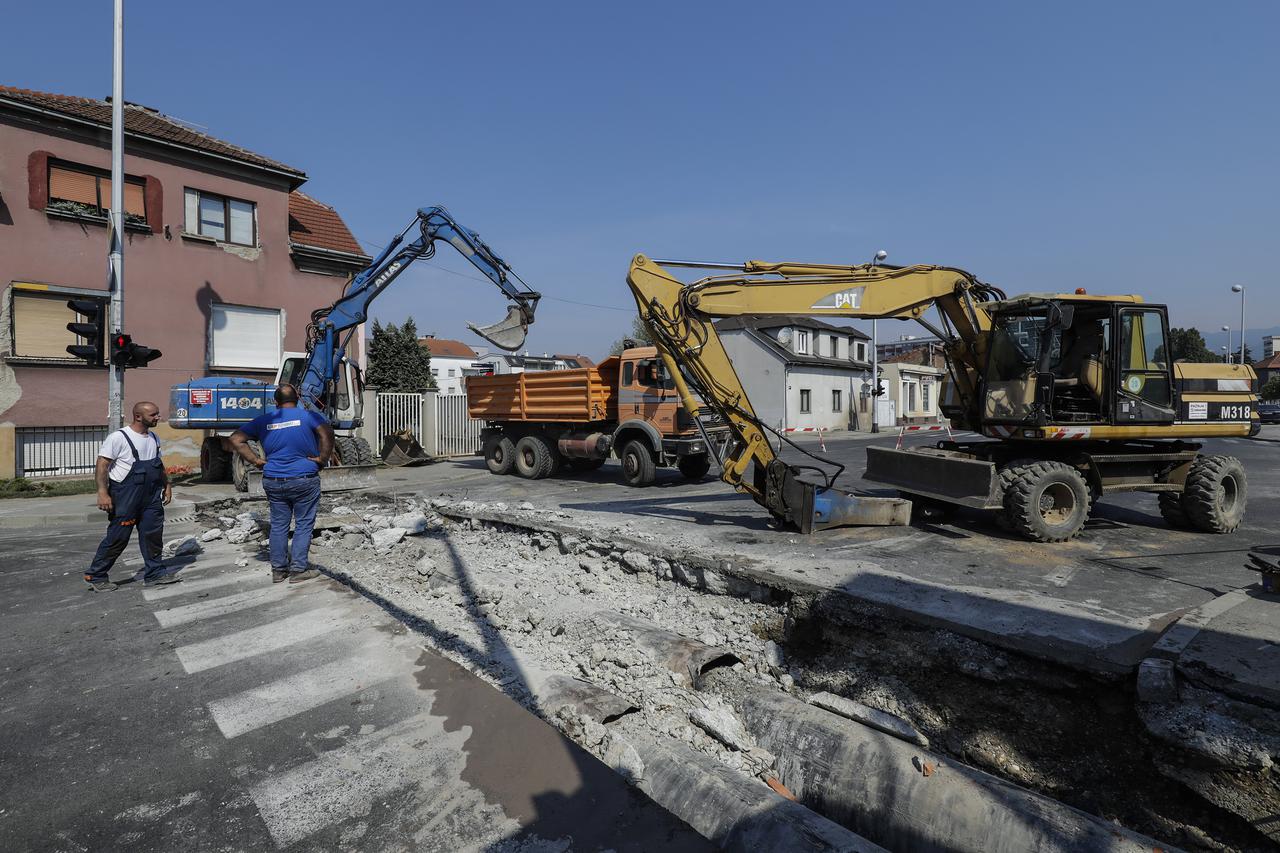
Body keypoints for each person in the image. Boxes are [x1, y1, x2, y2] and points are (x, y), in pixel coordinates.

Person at [230, 384, 333, 583]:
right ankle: (298, 570)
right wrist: (322, 458)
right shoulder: (308, 416)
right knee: (303, 524)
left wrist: (256, 461)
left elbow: (236, 439)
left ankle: (278, 571)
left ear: (275, 402)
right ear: (297, 399)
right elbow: (326, 433)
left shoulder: (264, 420)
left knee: (278, 525)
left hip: (273, 479)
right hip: (304, 478)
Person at [85, 401, 177, 591]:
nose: (158, 418)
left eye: (157, 414)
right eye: (153, 415)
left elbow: (158, 464)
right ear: (138, 416)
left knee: (153, 535)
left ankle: (154, 573)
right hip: (126, 496)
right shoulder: (118, 437)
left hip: (151, 496)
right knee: (118, 537)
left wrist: (167, 485)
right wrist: (102, 493)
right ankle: (97, 575)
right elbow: (102, 465)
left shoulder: (154, 437)